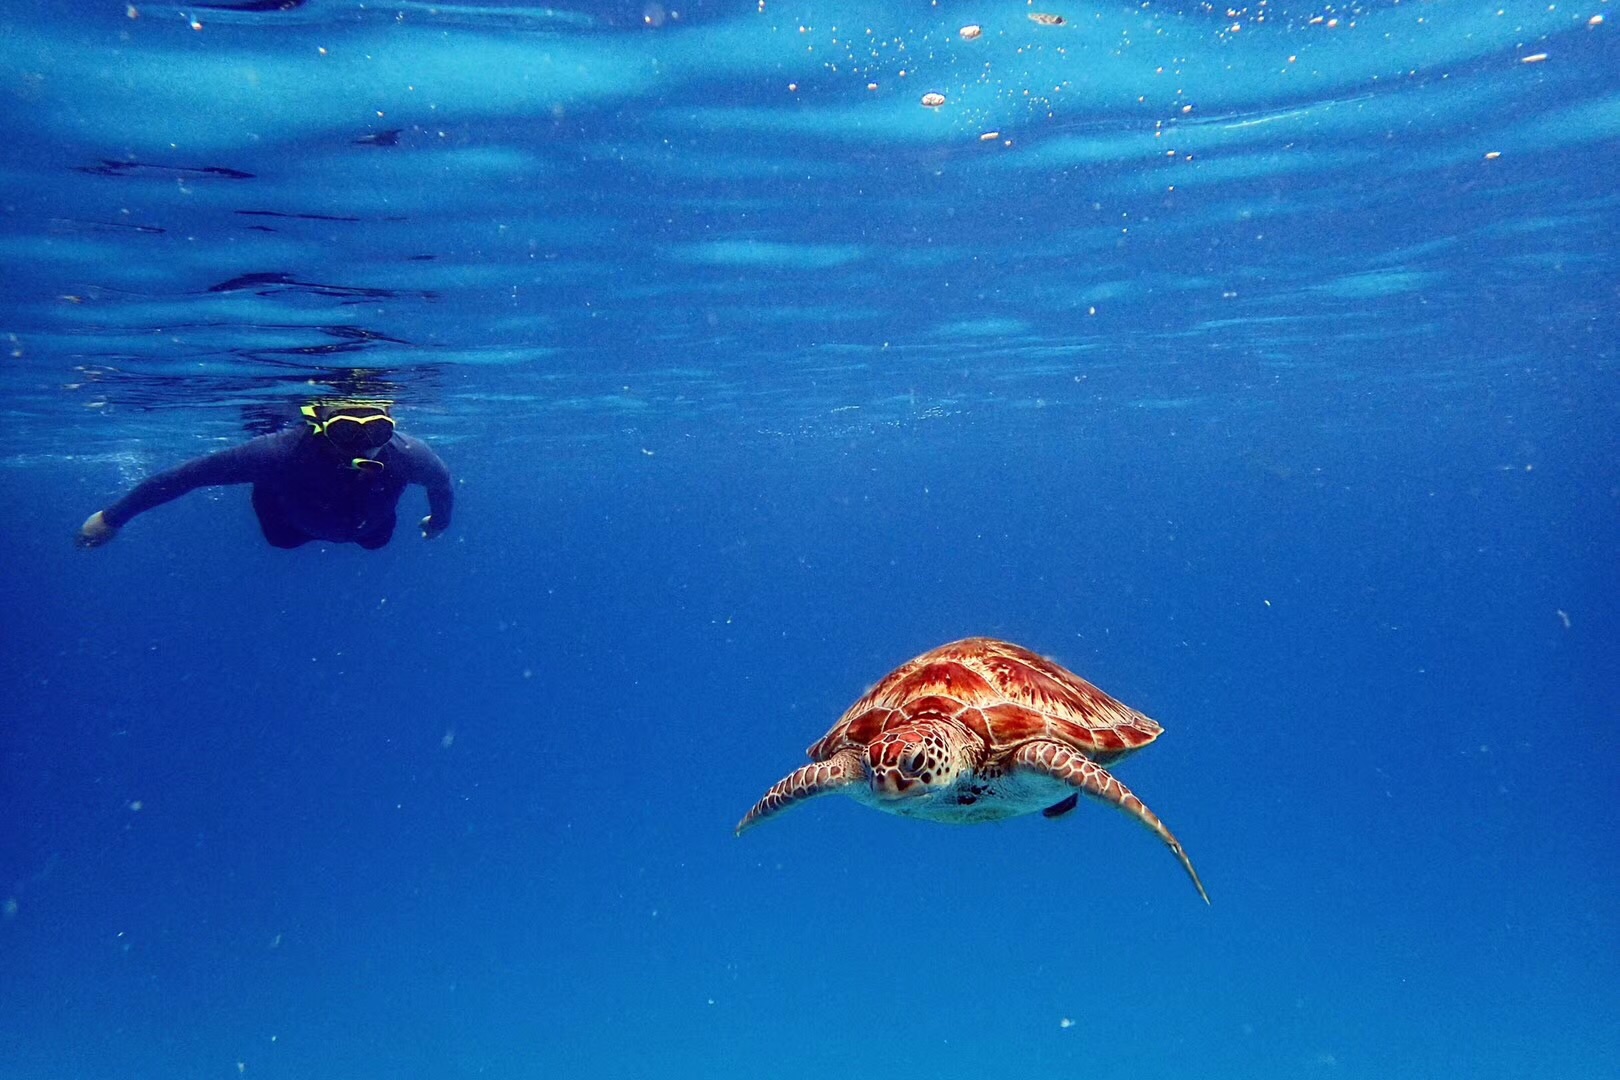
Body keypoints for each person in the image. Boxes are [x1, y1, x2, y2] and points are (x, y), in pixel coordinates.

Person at [78, 400, 454, 550]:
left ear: (391, 426)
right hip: (289, 523)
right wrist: (112, 518)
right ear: (321, 425)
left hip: (371, 528)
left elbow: (441, 483)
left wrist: (440, 521)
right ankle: (268, 465)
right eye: (345, 431)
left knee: (376, 541)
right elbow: (186, 477)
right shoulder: (278, 452)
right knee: (282, 540)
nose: (363, 445)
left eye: (376, 432)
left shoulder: (408, 455)